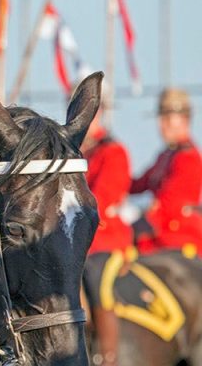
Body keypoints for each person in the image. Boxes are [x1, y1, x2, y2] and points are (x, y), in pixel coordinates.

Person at [80, 110, 132, 366]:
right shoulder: (80, 152)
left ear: (98, 115)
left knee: (96, 279)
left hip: (106, 241)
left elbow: (101, 199)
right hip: (81, 243)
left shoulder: (112, 151)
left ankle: (108, 358)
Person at [131, 87, 202, 253]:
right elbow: (137, 184)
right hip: (158, 239)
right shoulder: (165, 156)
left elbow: (169, 205)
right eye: (161, 118)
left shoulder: (188, 158)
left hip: (179, 240)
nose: (161, 125)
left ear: (184, 119)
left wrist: (136, 228)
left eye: (168, 119)